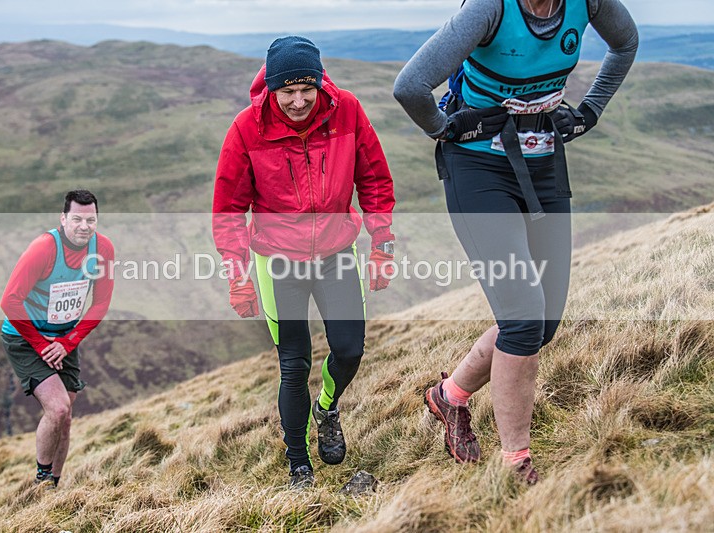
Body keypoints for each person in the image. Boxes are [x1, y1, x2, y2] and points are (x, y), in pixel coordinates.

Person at [394, 0, 637, 483]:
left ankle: (449, 396)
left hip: (543, 162)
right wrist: (444, 127)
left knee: (541, 324)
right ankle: (516, 465)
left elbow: (625, 43)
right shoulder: (489, 8)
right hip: (478, 169)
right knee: (523, 319)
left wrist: (588, 112)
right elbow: (410, 85)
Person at [212, 36, 396, 488]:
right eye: (287, 91)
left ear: (319, 83)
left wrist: (382, 244)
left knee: (350, 350)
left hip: (336, 253)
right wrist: (238, 276)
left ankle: (327, 408)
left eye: (306, 89)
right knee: (294, 365)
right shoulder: (247, 128)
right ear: (271, 89)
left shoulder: (347, 110)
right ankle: (299, 463)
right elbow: (229, 209)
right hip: (278, 263)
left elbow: (374, 178)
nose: (298, 101)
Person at [0, 190, 115, 488]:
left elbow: (101, 303)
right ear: (63, 219)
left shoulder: (103, 248)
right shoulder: (44, 248)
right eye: (76, 219)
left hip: (64, 339)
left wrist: (67, 342)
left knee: (66, 417)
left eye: (91, 220)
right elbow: (10, 301)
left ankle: (55, 485)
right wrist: (41, 345)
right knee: (58, 408)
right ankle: (41, 482)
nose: (84, 226)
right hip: (25, 337)